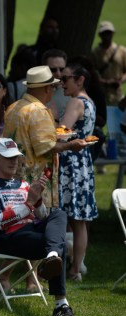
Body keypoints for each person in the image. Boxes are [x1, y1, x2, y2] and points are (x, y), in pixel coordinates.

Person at [0, 138, 79, 316]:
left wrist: (38, 200)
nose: (14, 161)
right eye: (8, 157)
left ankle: (52, 255)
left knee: (58, 214)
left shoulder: (22, 183)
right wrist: (29, 203)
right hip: (7, 238)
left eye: (16, 157)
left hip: (30, 230)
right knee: (56, 241)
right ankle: (61, 306)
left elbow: (40, 216)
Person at [3, 65, 86, 209]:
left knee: (17, 226)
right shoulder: (39, 111)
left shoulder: (13, 107)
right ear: (47, 88)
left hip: (14, 182)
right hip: (35, 185)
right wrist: (71, 145)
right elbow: (46, 147)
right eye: (53, 88)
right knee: (38, 227)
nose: (53, 91)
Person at [58, 63, 98, 282]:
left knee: (63, 215)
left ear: (80, 79)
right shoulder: (90, 102)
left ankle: (64, 266)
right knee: (80, 220)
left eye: (66, 79)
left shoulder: (75, 102)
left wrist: (50, 117)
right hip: (83, 163)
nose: (61, 83)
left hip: (69, 161)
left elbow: (62, 133)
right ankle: (75, 269)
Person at [91, 21, 126, 106]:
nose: (107, 36)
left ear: (113, 33)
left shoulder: (121, 51)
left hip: (117, 95)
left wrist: (120, 81)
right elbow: (92, 73)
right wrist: (106, 82)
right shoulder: (95, 53)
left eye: (109, 33)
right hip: (101, 95)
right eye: (104, 33)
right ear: (100, 35)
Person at [42, 49, 70, 120]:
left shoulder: (72, 94)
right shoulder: (34, 92)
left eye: (61, 69)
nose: (58, 74)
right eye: (53, 70)